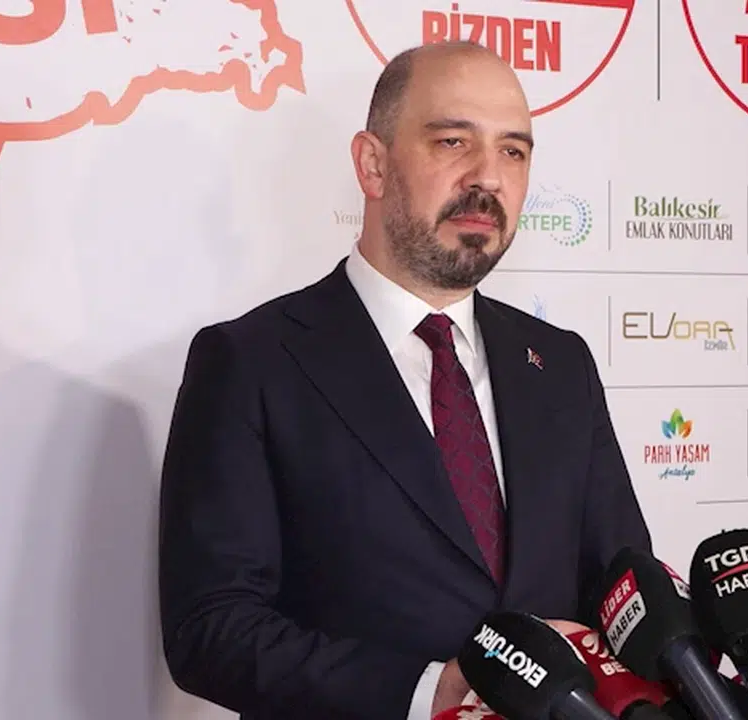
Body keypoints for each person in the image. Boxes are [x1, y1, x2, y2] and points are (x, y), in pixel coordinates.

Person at [156, 40, 652, 720]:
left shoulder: (561, 364)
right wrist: (430, 691)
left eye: (513, 151)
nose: (488, 177)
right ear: (373, 164)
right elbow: (210, 629)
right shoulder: (251, 362)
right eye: (453, 141)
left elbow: (624, 586)